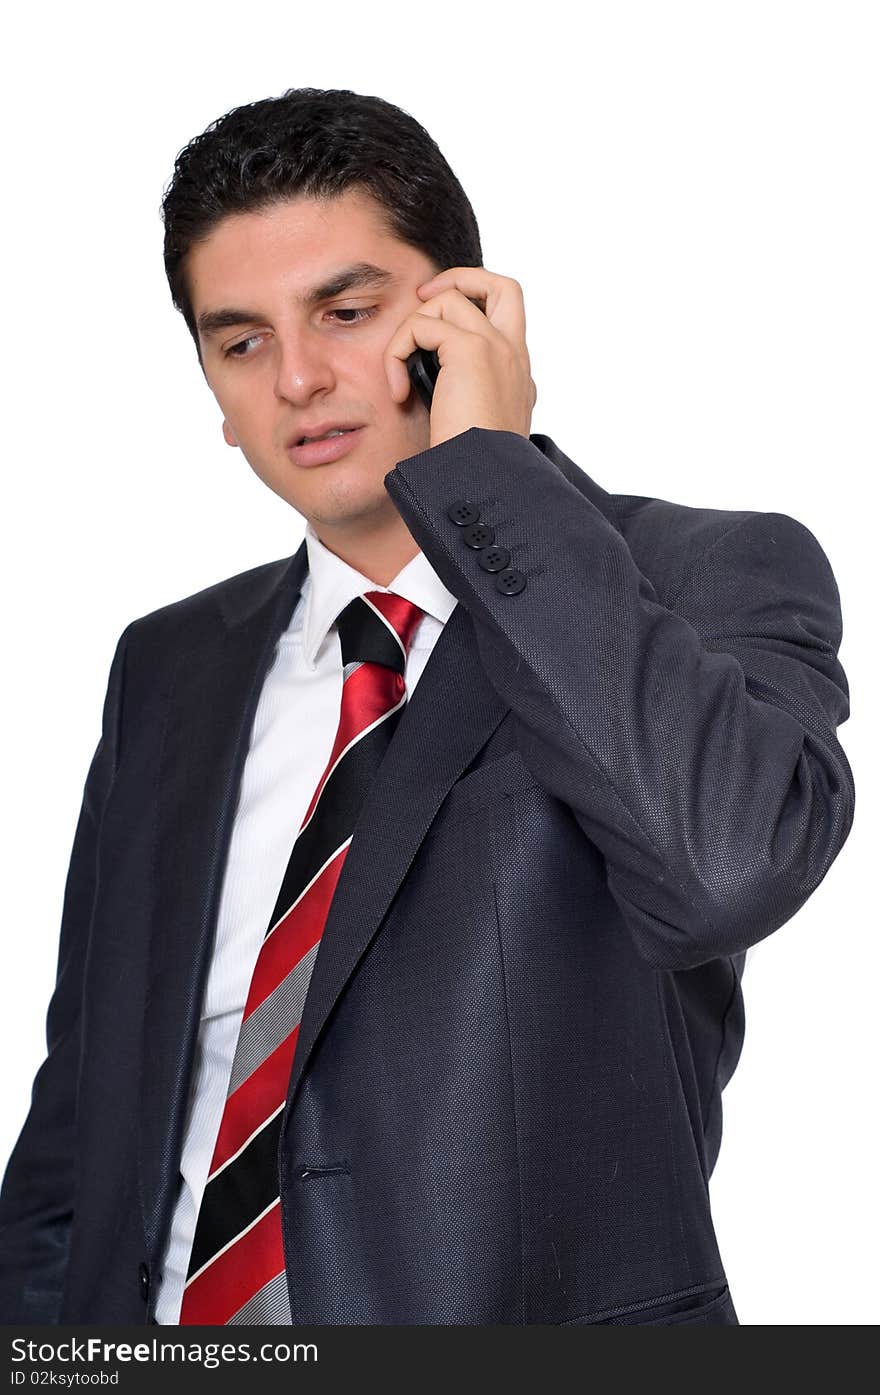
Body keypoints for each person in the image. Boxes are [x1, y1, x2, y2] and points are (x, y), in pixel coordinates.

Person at [0, 87, 855, 1327]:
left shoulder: (699, 578)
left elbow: (724, 866)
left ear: (462, 313)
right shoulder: (168, 665)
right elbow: (84, 1121)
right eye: (240, 342)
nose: (296, 378)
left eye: (343, 313)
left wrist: (490, 478)